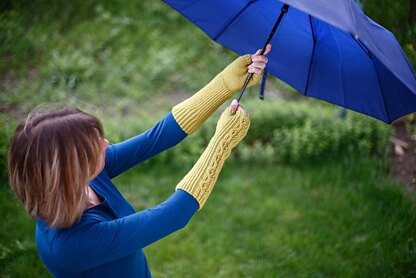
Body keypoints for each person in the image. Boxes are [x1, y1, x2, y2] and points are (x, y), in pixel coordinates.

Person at [8, 45, 271, 277]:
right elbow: (174, 215)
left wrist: (224, 83)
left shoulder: (83, 178)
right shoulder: (70, 245)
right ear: (70, 168)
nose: (106, 145)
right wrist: (222, 142)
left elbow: (157, 137)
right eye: (94, 146)